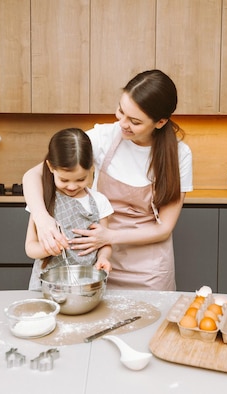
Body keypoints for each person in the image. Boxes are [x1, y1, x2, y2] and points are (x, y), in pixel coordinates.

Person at [23, 70, 193, 290]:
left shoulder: (179, 154)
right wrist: (42, 218)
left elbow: (164, 228)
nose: (122, 124)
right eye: (121, 111)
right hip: (98, 261)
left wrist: (109, 236)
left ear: (160, 122)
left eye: (134, 121)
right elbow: (33, 175)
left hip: (149, 269)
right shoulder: (103, 137)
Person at [25, 128, 113, 290]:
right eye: (64, 180)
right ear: (51, 167)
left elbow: (105, 243)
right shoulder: (42, 199)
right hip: (45, 287)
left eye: (81, 179)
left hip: (87, 286)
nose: (72, 186)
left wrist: (103, 258)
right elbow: (30, 247)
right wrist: (48, 248)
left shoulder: (100, 202)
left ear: (91, 168)